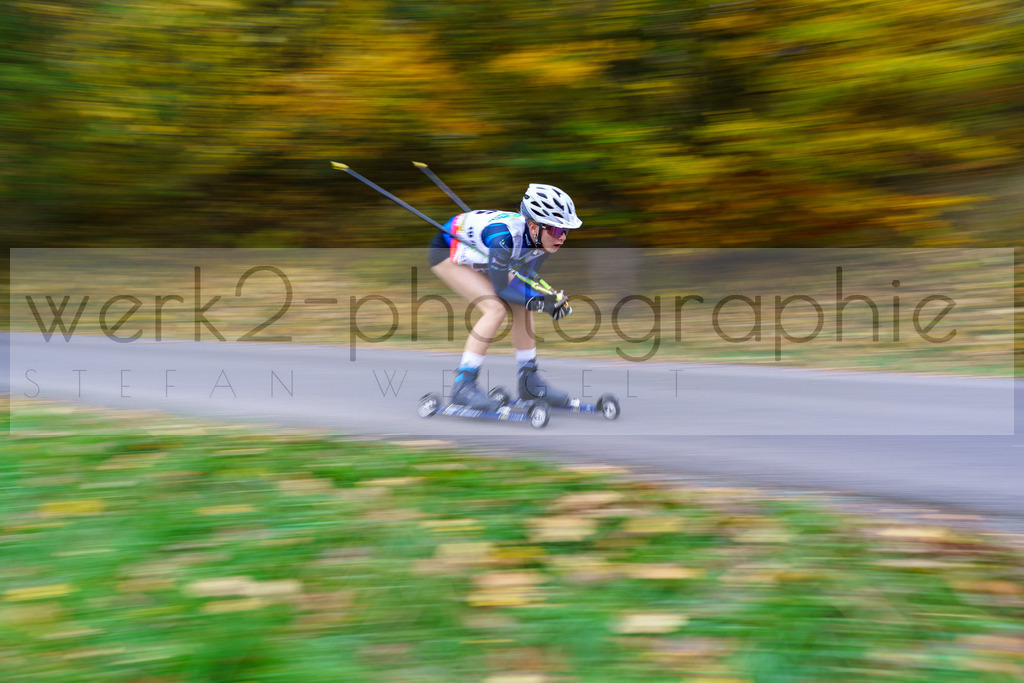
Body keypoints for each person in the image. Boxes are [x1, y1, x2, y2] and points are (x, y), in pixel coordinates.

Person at [428, 183, 582, 410]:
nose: (563, 237)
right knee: (495, 308)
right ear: (533, 226)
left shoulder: (542, 242)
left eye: (566, 231)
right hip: (449, 250)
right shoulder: (504, 238)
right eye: (557, 231)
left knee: (523, 305)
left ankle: (529, 381)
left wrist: (551, 300)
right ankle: (463, 385)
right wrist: (541, 303)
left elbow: (524, 280)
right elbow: (501, 290)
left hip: (483, 250)